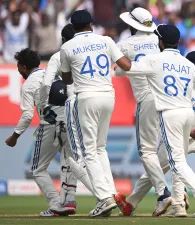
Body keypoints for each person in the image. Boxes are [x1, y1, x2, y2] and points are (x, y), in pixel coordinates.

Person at [117, 51, 195, 217]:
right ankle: (170, 205)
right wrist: (190, 130)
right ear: (192, 67)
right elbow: (177, 116)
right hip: (182, 133)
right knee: (158, 171)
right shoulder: (183, 89)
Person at [60, 10, 132, 217]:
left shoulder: (68, 46)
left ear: (73, 28)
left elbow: (67, 80)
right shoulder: (106, 40)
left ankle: (104, 198)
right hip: (109, 96)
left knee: (89, 151)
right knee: (101, 149)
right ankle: (111, 191)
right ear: (91, 25)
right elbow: (126, 65)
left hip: (87, 97)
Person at [113, 7, 172, 217]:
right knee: (161, 157)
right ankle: (132, 202)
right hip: (168, 99)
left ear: (132, 25)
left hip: (147, 99)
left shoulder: (125, 44)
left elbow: (118, 69)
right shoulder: (158, 41)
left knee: (147, 152)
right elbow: (123, 70)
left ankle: (164, 193)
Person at [5, 48, 76, 216]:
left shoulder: (29, 84)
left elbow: (28, 115)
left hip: (50, 125)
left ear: (23, 67)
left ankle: (55, 204)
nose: (18, 70)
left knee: (37, 169)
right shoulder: (54, 75)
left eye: (18, 67)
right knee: (69, 162)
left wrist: (15, 136)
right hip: (69, 121)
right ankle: (69, 201)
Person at [39, 23, 97, 217]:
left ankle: (103, 197)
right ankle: (69, 199)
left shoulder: (59, 55)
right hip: (88, 107)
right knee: (74, 156)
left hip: (67, 110)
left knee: (72, 158)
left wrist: (43, 106)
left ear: (63, 39)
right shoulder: (90, 53)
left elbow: (46, 83)